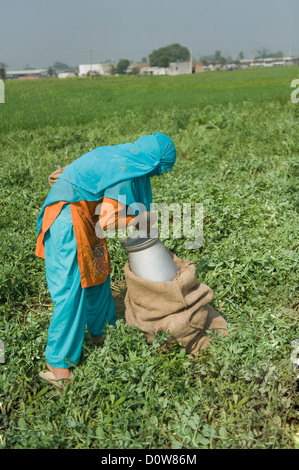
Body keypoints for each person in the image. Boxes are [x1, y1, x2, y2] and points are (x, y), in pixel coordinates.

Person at [35, 132, 176, 386]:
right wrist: (138, 220)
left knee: (98, 273)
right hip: (68, 218)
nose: (156, 176)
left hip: (85, 215)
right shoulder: (125, 171)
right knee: (72, 290)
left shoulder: (125, 155)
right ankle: (59, 366)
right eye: (158, 171)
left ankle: (105, 332)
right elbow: (109, 221)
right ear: (151, 164)